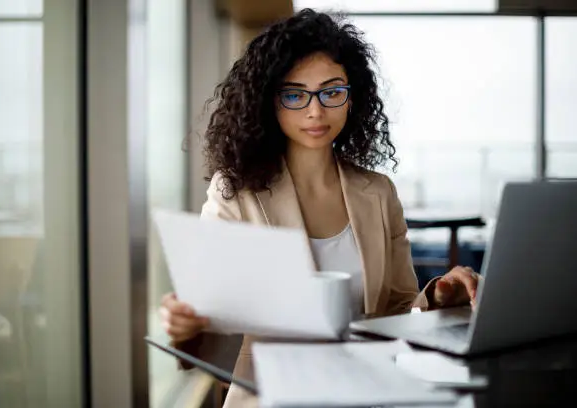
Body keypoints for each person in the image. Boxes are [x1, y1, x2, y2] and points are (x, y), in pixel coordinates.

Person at [159, 8, 480, 407]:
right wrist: (188, 325)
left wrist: (438, 297)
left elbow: (398, 308)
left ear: (351, 97)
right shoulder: (235, 193)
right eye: (295, 95)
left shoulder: (379, 193)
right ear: (269, 101)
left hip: (369, 394)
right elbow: (214, 323)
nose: (315, 111)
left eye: (331, 92)